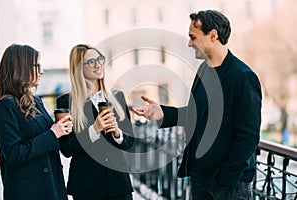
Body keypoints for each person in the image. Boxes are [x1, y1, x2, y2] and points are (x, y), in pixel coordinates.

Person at [133, 10, 262, 200]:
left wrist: (225, 179)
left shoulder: (243, 77)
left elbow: (248, 136)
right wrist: (163, 113)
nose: (189, 43)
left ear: (213, 36)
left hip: (228, 186)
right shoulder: (204, 70)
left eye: (193, 37)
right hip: (200, 178)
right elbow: (197, 113)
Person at [56, 44, 134, 200]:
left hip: (118, 185)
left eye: (100, 59)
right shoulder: (66, 102)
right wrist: (94, 129)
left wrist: (117, 133)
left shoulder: (117, 97)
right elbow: (67, 148)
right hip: (86, 186)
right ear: (79, 68)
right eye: (91, 62)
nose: (98, 64)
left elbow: (129, 141)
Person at [0, 44, 73, 200]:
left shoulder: (36, 101)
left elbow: (45, 137)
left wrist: (61, 128)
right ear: (20, 67)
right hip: (28, 192)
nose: (42, 71)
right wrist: (53, 133)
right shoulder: (6, 104)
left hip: (52, 187)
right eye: (36, 66)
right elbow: (13, 154)